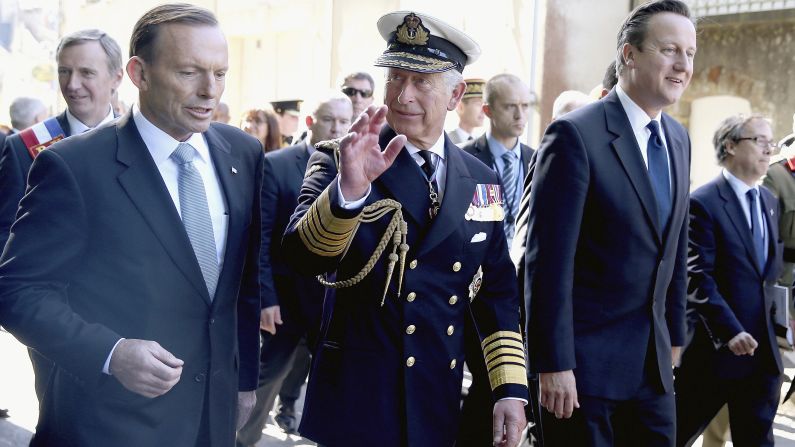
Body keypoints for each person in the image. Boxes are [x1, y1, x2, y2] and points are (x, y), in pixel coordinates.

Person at [0, 4, 262, 446]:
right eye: (189, 72)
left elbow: (244, 283)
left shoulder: (243, 152)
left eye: (220, 73)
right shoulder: (73, 166)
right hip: (108, 422)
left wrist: (244, 381)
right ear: (139, 73)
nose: (208, 90)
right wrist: (109, 353)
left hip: (211, 419)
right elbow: (16, 291)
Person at [282, 10, 528, 447]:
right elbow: (301, 257)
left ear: (454, 96)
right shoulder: (345, 157)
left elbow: (496, 292)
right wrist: (349, 193)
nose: (402, 95)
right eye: (395, 77)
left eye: (421, 82)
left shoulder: (481, 179)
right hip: (358, 398)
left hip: (436, 396)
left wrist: (509, 388)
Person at [525, 1, 696, 445]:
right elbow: (548, 263)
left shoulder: (677, 139)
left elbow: (674, 249)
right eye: (670, 50)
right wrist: (554, 363)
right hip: (584, 374)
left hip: (653, 371)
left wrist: (675, 338)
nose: (682, 65)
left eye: (690, 53)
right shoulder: (575, 135)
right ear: (628, 54)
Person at [0, 29, 123, 407]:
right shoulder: (27, 147)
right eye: (64, 72)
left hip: (130, 306)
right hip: (61, 318)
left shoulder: (142, 139)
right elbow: (7, 233)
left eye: (86, 72)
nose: (73, 84)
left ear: (117, 77)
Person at [236, 93, 352, 447]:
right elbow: (261, 239)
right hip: (285, 303)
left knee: (336, 385)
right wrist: (266, 299)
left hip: (334, 303)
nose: (337, 128)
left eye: (345, 121)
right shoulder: (278, 164)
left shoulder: (357, 165)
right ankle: (241, 440)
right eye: (330, 119)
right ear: (310, 122)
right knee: (263, 383)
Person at [676, 115, 783, 447]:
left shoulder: (768, 202)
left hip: (762, 354)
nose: (770, 150)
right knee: (676, 434)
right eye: (760, 141)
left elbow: (766, 276)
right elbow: (697, 275)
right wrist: (730, 330)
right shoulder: (703, 203)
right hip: (715, 354)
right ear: (731, 146)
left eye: (771, 142)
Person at [458, 73, 535, 446]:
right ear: (487, 110)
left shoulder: (537, 159)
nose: (521, 115)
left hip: (521, 289)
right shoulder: (466, 160)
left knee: (514, 384)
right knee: (486, 383)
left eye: (526, 106)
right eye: (511, 106)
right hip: (476, 290)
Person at [448, 78, 485, 145]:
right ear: (460, 107)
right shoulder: (447, 142)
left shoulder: (482, 144)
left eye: (484, 104)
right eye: (478, 104)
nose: (484, 110)